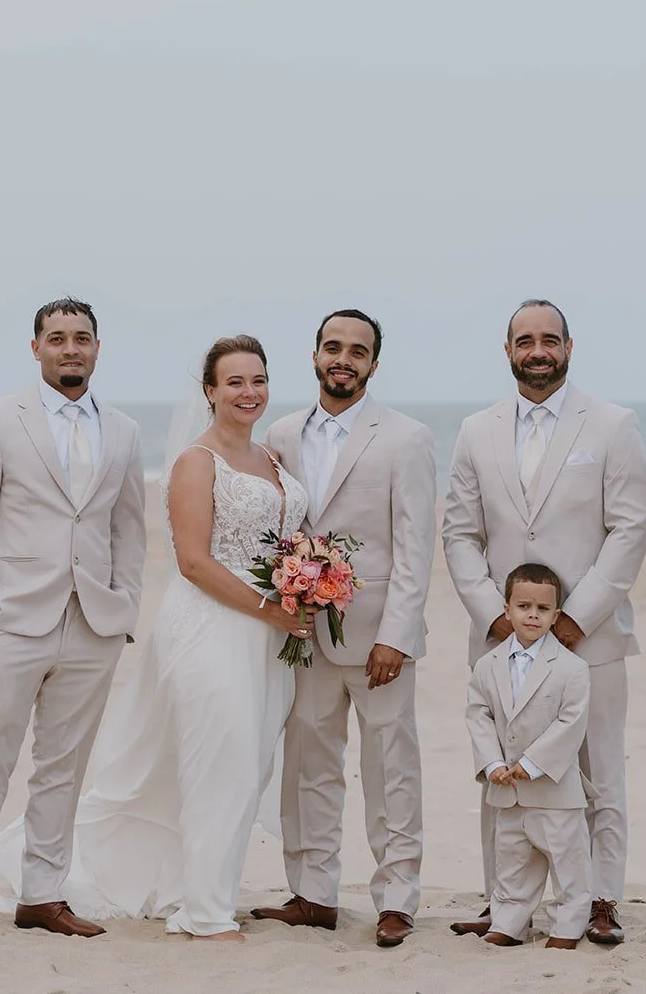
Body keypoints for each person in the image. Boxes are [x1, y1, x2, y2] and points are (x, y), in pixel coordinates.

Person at [64, 335, 310, 941]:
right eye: (234, 382)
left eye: (257, 380)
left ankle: (203, 887)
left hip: (269, 639)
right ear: (209, 391)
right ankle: (205, 912)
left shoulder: (274, 460)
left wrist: (308, 584)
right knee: (218, 764)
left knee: (249, 765)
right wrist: (270, 608)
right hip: (211, 629)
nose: (248, 393)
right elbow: (194, 561)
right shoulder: (196, 462)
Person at [442, 299, 646, 944]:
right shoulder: (476, 431)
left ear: (568, 345)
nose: (538, 350)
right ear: (507, 350)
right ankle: (506, 901)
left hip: (592, 636)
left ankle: (601, 900)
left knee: (597, 771)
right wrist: (494, 617)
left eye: (549, 339)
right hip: (505, 639)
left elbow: (629, 528)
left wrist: (575, 618)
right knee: (503, 769)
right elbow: (459, 532)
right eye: (524, 340)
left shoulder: (613, 426)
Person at [0, 298, 146, 943]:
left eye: (81, 338)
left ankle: (43, 895)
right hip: (14, 619)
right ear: (36, 348)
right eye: (56, 338)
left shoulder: (124, 431)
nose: (70, 348)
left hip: (93, 624)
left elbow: (128, 527)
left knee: (65, 765)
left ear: (98, 347)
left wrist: (124, 606)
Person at [253, 310, 438, 949]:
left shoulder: (406, 438)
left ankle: (396, 900)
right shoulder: (279, 433)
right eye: (333, 347)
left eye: (357, 351)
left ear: (373, 365)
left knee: (391, 769)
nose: (344, 359)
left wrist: (398, 634)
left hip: (377, 637)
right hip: (303, 632)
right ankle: (312, 894)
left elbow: (417, 546)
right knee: (308, 765)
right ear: (314, 356)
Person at [466, 564, 595, 949]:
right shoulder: (486, 666)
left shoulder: (573, 668)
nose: (532, 615)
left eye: (542, 608)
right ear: (506, 610)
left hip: (555, 789)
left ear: (556, 616)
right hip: (507, 788)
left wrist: (534, 762)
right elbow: (479, 714)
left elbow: (571, 721)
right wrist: (492, 764)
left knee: (568, 862)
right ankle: (509, 921)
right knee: (512, 861)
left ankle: (568, 926)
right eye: (523, 606)